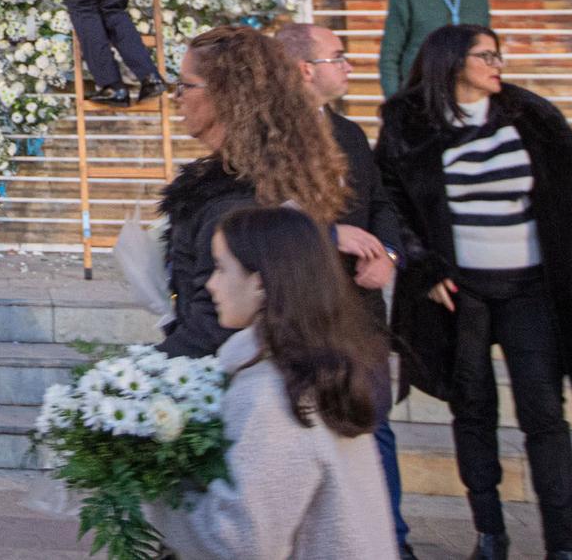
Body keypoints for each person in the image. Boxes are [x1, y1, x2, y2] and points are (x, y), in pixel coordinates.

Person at [376, 24, 572, 560]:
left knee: (544, 414)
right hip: (460, 293)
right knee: (472, 411)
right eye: (485, 56)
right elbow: (393, 202)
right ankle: (490, 533)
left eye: (497, 54)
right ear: (451, 63)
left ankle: (563, 546)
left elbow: (569, 207)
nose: (497, 64)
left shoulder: (532, 116)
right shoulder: (407, 123)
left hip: (531, 286)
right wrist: (422, 266)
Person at [145, 205, 396, 559]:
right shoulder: (318, 367)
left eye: (220, 268)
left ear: (260, 282)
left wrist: (153, 491)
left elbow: (238, 543)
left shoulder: (274, 394)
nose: (210, 284)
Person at [275, 21, 414, 559]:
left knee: (373, 424)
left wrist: (390, 256)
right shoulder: (268, 137)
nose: (350, 66)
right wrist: (330, 235)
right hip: (302, 307)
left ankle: (391, 543)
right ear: (305, 70)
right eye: (339, 56)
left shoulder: (351, 133)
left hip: (360, 306)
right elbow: (260, 213)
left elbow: (381, 204)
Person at [159, 26, 352, 359]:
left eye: (186, 86)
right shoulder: (269, 173)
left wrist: (129, 381)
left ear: (226, 95)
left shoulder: (240, 202)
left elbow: (215, 328)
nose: (176, 97)